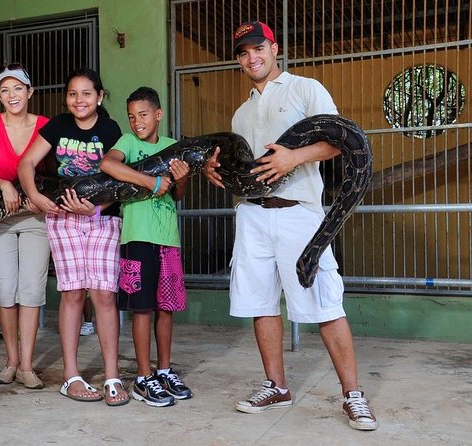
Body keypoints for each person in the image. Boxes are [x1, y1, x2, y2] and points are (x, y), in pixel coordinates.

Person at [204, 21, 378, 431]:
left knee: (324, 301)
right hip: (252, 213)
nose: (252, 58)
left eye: (258, 49)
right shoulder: (241, 111)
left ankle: (353, 395)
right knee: (260, 302)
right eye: (244, 53)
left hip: (300, 210)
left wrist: (293, 158)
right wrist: (218, 172)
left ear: (274, 48)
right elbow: (242, 168)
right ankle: (276, 386)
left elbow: (340, 141)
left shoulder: (306, 88)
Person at [18, 68, 130, 406]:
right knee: (72, 295)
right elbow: (26, 165)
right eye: (72, 94)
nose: (78, 100)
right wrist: (35, 197)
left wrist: (95, 210)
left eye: (85, 93)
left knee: (105, 296)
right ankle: (71, 376)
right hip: (62, 219)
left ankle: (112, 376)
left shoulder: (110, 129)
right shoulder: (57, 126)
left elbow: (118, 180)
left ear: (99, 96)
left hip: (103, 220)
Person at [100, 86, 193, 407]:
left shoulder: (172, 147)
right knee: (142, 307)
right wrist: (150, 181)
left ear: (158, 114)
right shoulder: (127, 142)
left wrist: (180, 179)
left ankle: (164, 370)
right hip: (136, 237)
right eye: (131, 116)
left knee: (166, 308)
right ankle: (143, 375)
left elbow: (178, 195)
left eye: (142, 115)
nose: (137, 122)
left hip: (168, 238)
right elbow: (108, 166)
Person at [0, 63, 51, 389]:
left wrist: (36, 194)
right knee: (5, 289)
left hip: (35, 217)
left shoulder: (47, 125)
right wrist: (5, 185)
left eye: (17, 88)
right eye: (4, 90)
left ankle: (27, 367)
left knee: (31, 290)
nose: (12, 95)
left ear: (30, 92)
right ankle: (10, 361)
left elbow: (58, 173)